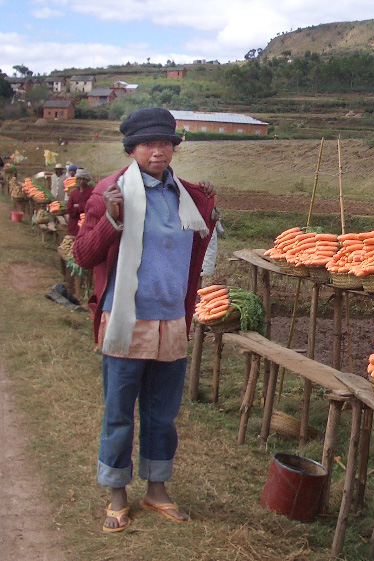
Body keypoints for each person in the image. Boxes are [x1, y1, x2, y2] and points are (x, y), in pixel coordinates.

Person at [72, 107, 218, 534]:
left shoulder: (189, 197)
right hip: (125, 320)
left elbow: (197, 251)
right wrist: (113, 220)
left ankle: (157, 490)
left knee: (162, 413)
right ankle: (117, 495)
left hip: (170, 319)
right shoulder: (109, 192)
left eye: (166, 143)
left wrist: (211, 207)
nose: (159, 151)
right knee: (119, 412)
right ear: (131, 148)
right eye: (149, 144)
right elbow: (83, 256)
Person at [65, 168, 94, 237]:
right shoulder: (73, 193)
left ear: (87, 180)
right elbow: (69, 207)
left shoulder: (91, 192)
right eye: (79, 179)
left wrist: (78, 206)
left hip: (87, 221)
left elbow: (92, 206)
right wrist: (79, 207)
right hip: (74, 222)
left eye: (83, 179)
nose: (81, 181)